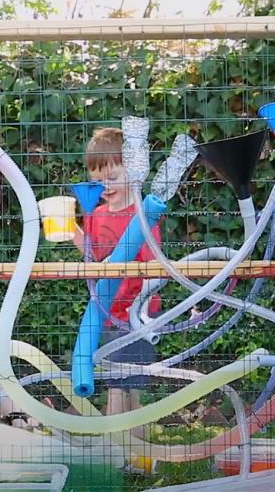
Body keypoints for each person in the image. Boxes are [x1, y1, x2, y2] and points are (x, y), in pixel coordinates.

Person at [72, 127, 161, 422]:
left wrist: (145, 315)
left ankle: (119, 452)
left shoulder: (143, 215)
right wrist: (69, 229)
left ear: (132, 173)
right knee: (120, 384)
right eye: (98, 181)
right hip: (107, 311)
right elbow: (92, 256)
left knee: (123, 386)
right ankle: (136, 457)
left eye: (112, 178)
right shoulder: (97, 215)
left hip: (136, 315)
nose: (105, 187)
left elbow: (154, 269)